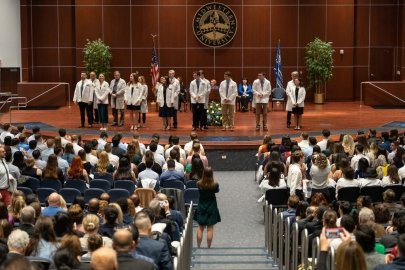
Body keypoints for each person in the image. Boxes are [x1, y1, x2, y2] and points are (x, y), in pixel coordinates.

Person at [195, 167, 221, 248]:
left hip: (202, 206)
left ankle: (198, 246)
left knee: (200, 227)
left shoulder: (199, 183)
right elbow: (217, 190)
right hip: (211, 206)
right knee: (210, 228)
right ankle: (208, 247)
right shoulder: (215, 184)